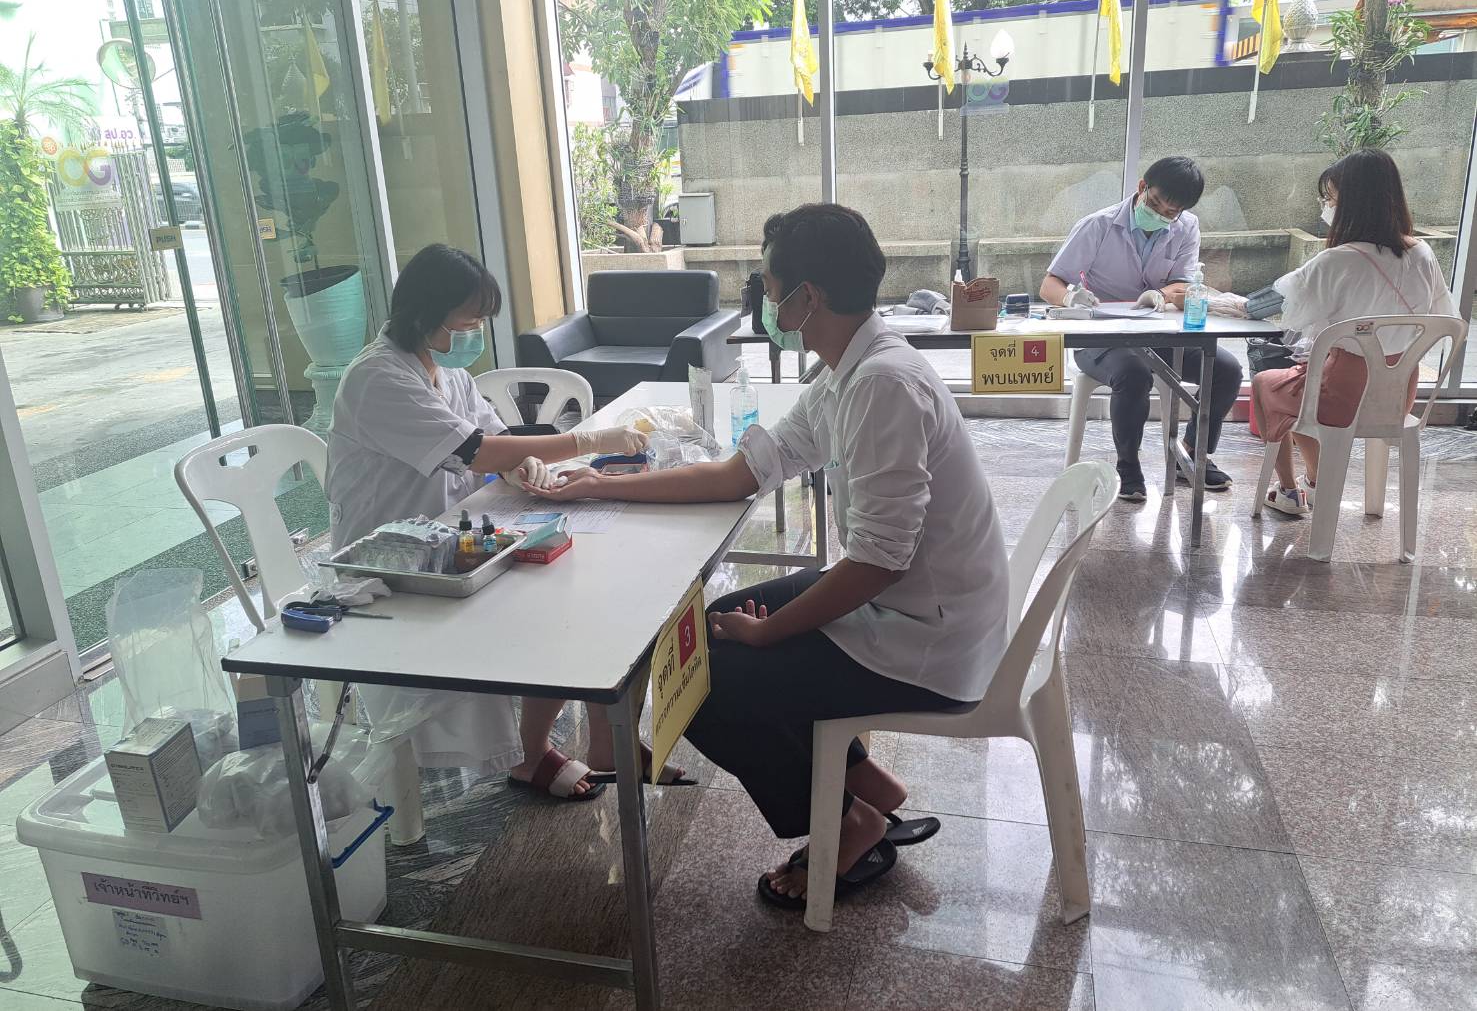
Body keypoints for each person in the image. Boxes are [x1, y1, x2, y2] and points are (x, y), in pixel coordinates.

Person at [527, 205, 1011, 908]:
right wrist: (601, 484)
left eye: (768, 286)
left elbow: (879, 562)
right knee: (707, 627)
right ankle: (866, 783)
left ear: (807, 296)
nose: (764, 302)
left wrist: (770, 633)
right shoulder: (847, 371)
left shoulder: (881, 386)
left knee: (701, 681)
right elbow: (742, 473)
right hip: (907, 600)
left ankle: (848, 822)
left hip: (932, 636)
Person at [327, 243, 655, 799]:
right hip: (390, 562)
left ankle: (555, 744)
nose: (475, 331)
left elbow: (495, 440)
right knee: (541, 604)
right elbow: (476, 452)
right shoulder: (377, 379)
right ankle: (536, 753)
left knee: (565, 588)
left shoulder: (447, 373)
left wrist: (522, 466)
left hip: (453, 539)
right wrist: (588, 439)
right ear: (426, 314)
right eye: (468, 319)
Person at [1253, 149, 1459, 516]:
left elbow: (1288, 311)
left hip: (1341, 398)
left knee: (1269, 383)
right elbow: (1446, 318)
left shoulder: (1336, 260)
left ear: (1353, 202)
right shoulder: (1424, 254)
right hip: (1397, 399)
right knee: (1302, 384)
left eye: (1331, 198)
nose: (1328, 207)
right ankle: (1315, 483)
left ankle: (1289, 491)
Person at [1040, 156, 1242, 502]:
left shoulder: (1186, 227)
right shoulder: (1098, 226)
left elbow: (1183, 283)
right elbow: (1050, 285)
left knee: (1226, 370)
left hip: (1159, 334)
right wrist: (1071, 297)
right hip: (1102, 338)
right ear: (1142, 187)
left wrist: (1161, 295)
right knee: (1133, 374)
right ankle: (1128, 465)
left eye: (1171, 212)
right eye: (1155, 203)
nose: (1161, 214)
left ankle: (1192, 453)